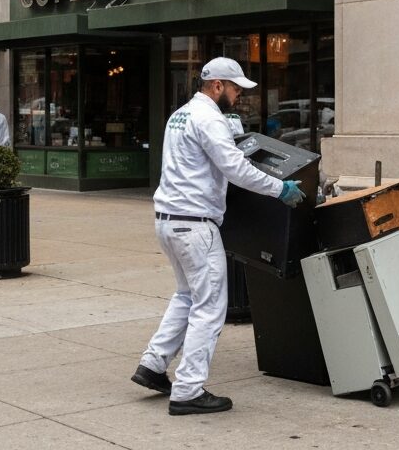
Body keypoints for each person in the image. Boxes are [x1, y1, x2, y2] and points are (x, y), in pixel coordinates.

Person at [131, 56, 307, 415]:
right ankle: (188, 390)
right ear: (217, 86)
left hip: (169, 220)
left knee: (187, 296)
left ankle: (152, 364)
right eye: (235, 89)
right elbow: (236, 168)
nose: (238, 96)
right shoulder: (210, 119)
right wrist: (280, 188)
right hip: (195, 224)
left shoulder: (181, 114)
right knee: (210, 307)